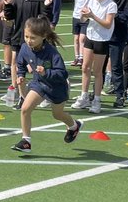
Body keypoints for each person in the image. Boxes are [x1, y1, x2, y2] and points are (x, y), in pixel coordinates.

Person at [11, 17, 83, 154]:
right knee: (25, 108)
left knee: (58, 115)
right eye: (26, 36)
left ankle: (74, 125)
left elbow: (62, 73)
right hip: (39, 84)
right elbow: (20, 63)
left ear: (43, 36)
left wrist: (46, 72)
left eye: (32, 37)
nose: (28, 40)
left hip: (57, 87)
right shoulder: (25, 48)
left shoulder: (52, 53)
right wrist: (21, 75)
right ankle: (26, 141)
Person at [72, 0, 116, 114]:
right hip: (90, 36)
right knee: (85, 67)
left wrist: (92, 15)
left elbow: (108, 24)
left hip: (102, 39)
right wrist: (84, 15)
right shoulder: (91, 1)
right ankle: (84, 96)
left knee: (97, 71)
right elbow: (83, 19)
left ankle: (96, 100)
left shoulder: (111, 5)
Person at [8, 0, 47, 105]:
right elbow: (10, 16)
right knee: (16, 64)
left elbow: (43, 19)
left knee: (37, 66)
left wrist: (47, 7)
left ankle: (44, 93)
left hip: (34, 40)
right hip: (18, 36)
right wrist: (7, 5)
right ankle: (20, 95)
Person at [61, 0, 93, 66]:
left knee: (82, 38)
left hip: (86, 18)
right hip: (76, 18)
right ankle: (76, 57)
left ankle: (82, 58)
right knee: (76, 39)